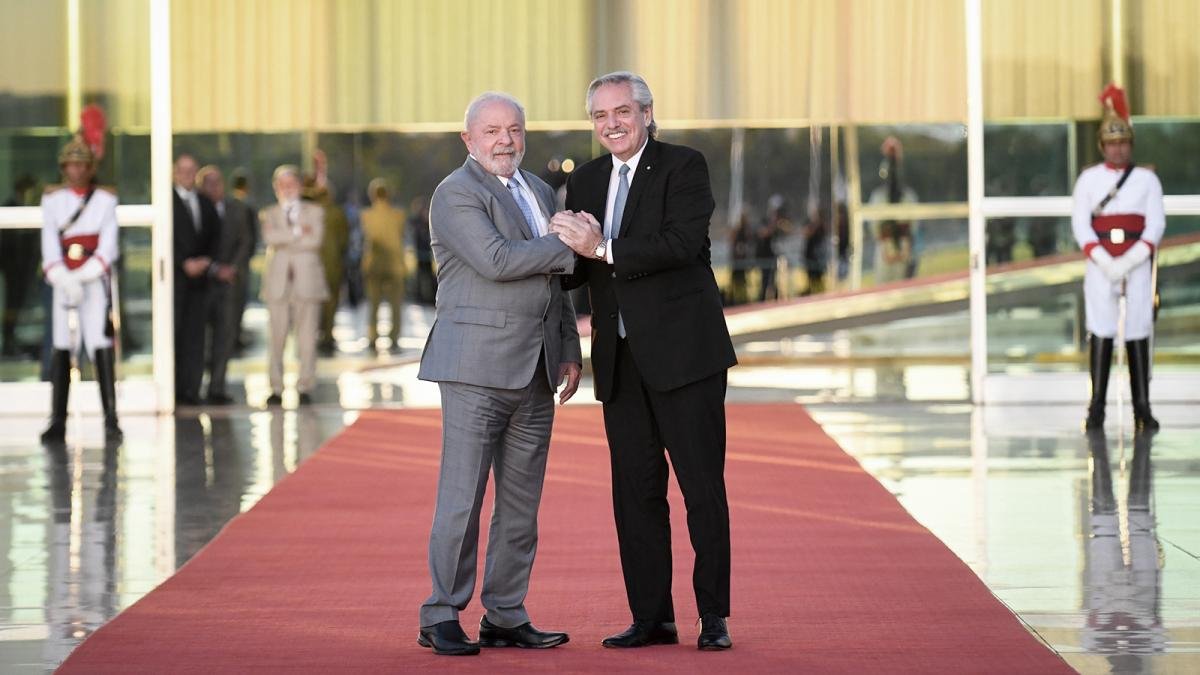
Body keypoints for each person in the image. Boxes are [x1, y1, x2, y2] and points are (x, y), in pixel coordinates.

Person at [550, 71, 737, 651]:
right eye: (601, 116)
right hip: (621, 360)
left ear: (648, 114)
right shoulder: (583, 181)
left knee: (701, 488)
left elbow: (681, 244)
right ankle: (652, 617)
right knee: (634, 493)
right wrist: (551, 246)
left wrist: (601, 247)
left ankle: (713, 618)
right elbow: (578, 273)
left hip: (687, 357)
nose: (613, 124)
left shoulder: (684, 167)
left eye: (623, 112)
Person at [416, 91, 580, 657]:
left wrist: (569, 349)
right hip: (474, 369)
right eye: (491, 131)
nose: (504, 140)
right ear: (469, 140)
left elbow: (553, 286)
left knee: (521, 505)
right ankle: (440, 613)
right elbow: (498, 260)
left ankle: (506, 614)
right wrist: (567, 242)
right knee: (461, 500)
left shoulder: (537, 190)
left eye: (513, 129)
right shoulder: (455, 194)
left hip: (536, 370)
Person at [1072, 83, 1164, 432]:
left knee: (1139, 328)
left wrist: (1132, 259)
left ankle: (1143, 407)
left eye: (1123, 142)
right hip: (1100, 264)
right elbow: (1081, 225)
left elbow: (1155, 223)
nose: (1118, 149)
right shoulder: (1088, 180)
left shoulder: (1146, 181)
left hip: (1136, 261)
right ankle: (1097, 408)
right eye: (1112, 143)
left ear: (1131, 145)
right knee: (1101, 329)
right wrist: (1104, 260)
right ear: (1102, 146)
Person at [38, 136, 122, 442]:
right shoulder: (52, 201)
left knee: (100, 343)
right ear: (64, 168)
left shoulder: (105, 201)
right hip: (64, 283)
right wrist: (64, 278)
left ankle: (111, 418)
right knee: (62, 346)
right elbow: (49, 248)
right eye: (71, 165)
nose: (76, 171)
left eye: (81, 165)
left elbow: (108, 248)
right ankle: (57, 419)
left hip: (94, 282)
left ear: (90, 168)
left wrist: (85, 275)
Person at [260, 165, 328, 406]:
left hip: (307, 283)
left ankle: (306, 386)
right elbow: (270, 239)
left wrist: (285, 237)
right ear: (276, 188)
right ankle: (276, 388)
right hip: (278, 285)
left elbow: (315, 241)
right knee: (276, 339)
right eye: (282, 185)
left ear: (299, 186)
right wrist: (299, 231)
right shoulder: (268, 213)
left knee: (307, 338)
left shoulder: (315, 211)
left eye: (291, 184)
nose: (287, 189)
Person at [197, 165, 255, 404]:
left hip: (230, 283)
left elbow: (247, 241)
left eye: (217, 182)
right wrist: (212, 268)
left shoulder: (238, 209)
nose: (213, 187)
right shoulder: (195, 208)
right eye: (208, 183)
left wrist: (232, 268)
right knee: (200, 340)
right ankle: (192, 387)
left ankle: (217, 387)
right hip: (201, 284)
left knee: (225, 336)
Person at [172, 154, 219, 405]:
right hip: (174, 282)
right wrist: (183, 262)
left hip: (200, 283)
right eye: (182, 170)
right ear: (174, 172)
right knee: (175, 336)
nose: (187, 174)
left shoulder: (204, 202)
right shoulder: (165, 201)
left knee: (195, 338)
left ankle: (191, 389)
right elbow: (165, 239)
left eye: (191, 170)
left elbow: (214, 236)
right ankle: (174, 389)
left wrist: (205, 261)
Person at [307, 151, 350, 356]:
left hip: (312, 263)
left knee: (314, 301)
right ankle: (328, 335)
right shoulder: (337, 213)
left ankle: (314, 333)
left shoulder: (309, 212)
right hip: (333, 264)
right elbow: (345, 239)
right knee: (331, 301)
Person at [360, 178, 407, 352]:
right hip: (394, 264)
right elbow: (401, 235)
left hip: (374, 264)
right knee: (395, 305)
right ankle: (394, 337)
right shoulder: (398, 214)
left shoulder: (366, 215)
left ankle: (373, 337)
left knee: (374, 304)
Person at [409, 195, 437, 304]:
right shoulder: (415, 221)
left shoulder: (428, 221)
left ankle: (430, 298)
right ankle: (419, 297)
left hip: (428, 254)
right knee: (419, 276)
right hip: (419, 254)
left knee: (430, 276)